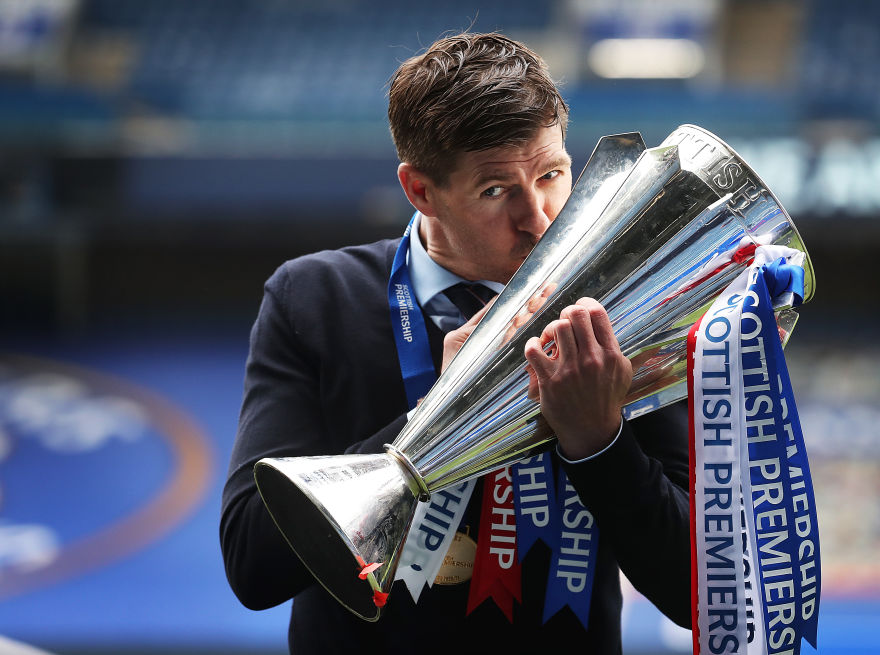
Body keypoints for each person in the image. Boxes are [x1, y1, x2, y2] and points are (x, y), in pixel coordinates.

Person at [220, 32, 691, 655]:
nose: (540, 217)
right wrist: (435, 419)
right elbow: (252, 563)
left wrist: (598, 444)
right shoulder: (313, 298)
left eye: (552, 174)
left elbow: (692, 593)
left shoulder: (624, 307)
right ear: (420, 190)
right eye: (495, 190)